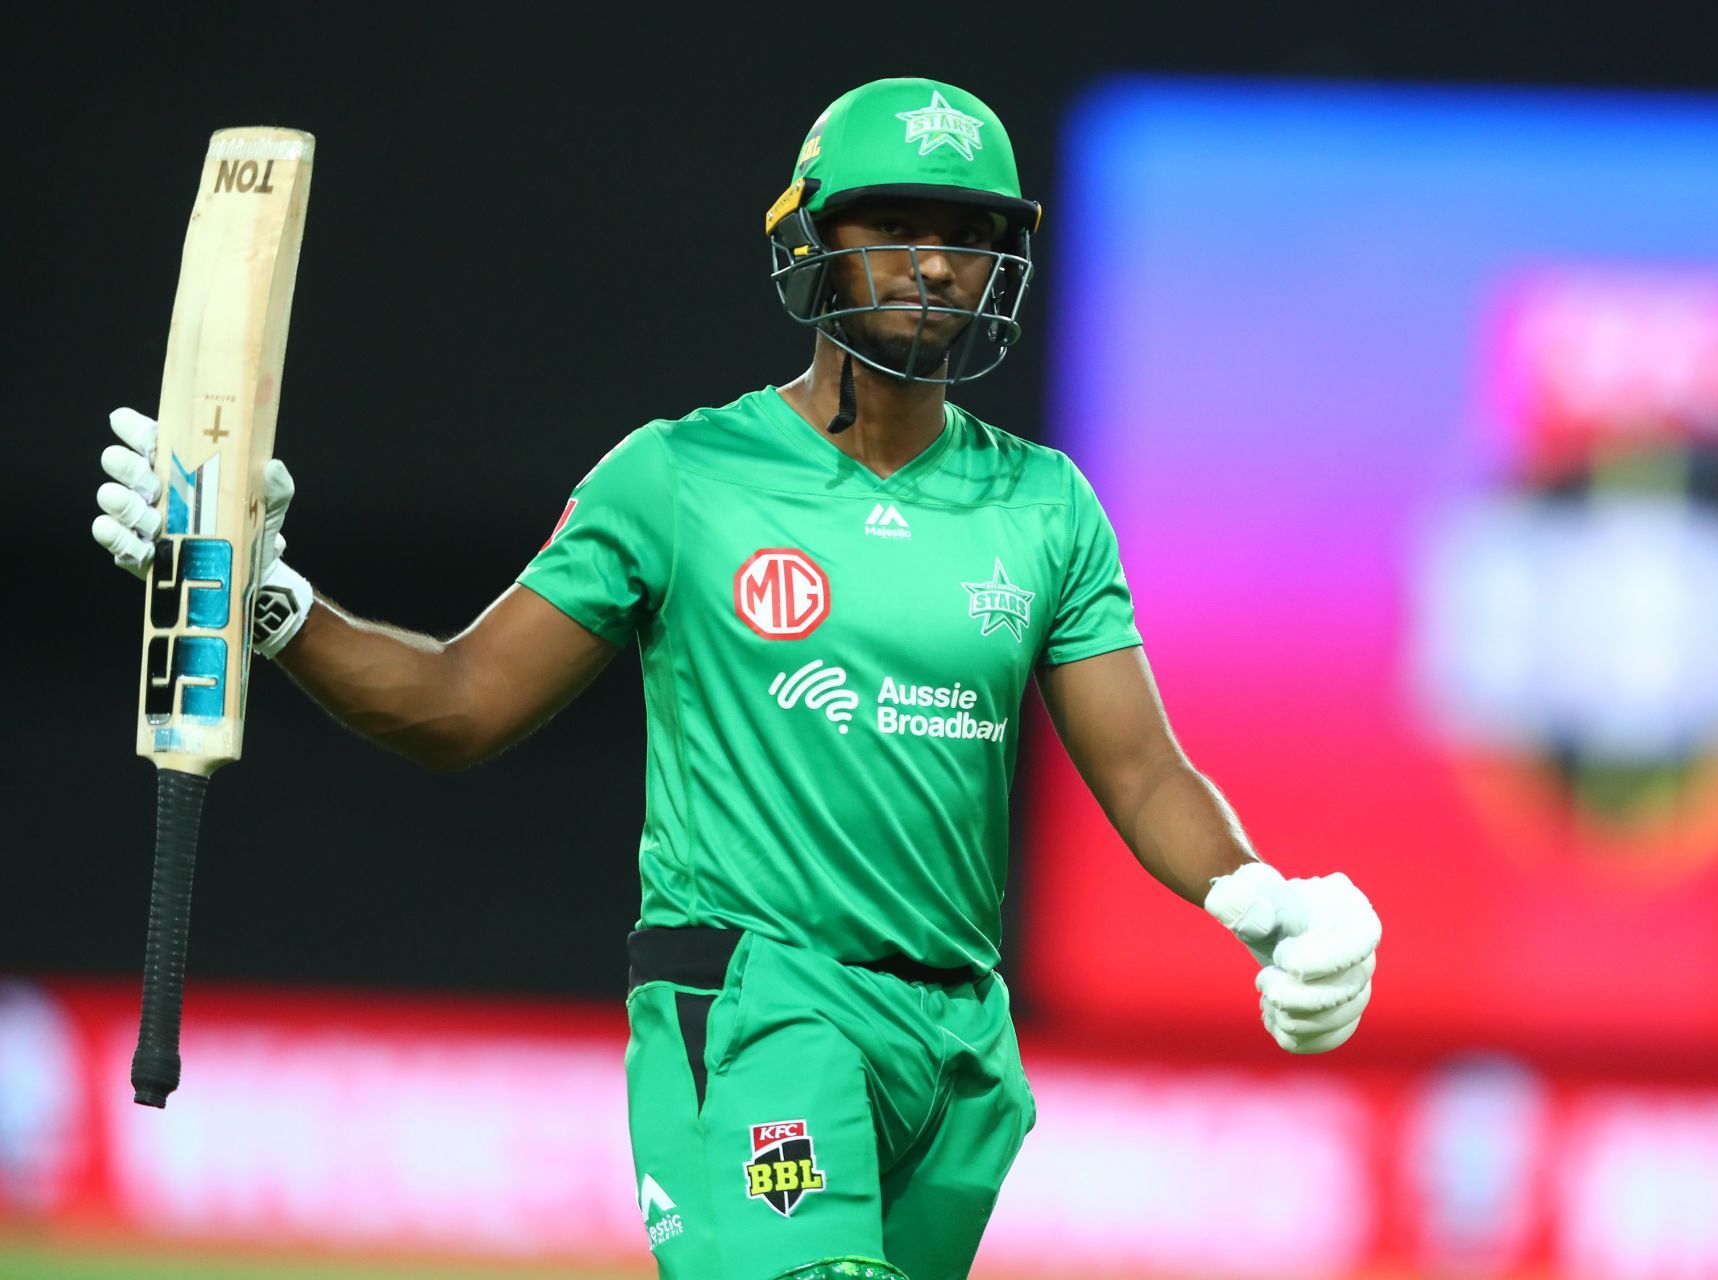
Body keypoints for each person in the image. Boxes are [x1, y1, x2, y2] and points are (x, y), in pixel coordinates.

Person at [93, 77, 1381, 1280]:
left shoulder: (1046, 506)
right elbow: (458, 702)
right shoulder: (680, 477)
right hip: (758, 1005)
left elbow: (1143, 769)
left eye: (968, 232)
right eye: (894, 224)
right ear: (813, 239)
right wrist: (263, 602)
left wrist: (1262, 898)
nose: (934, 263)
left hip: (961, 1051)